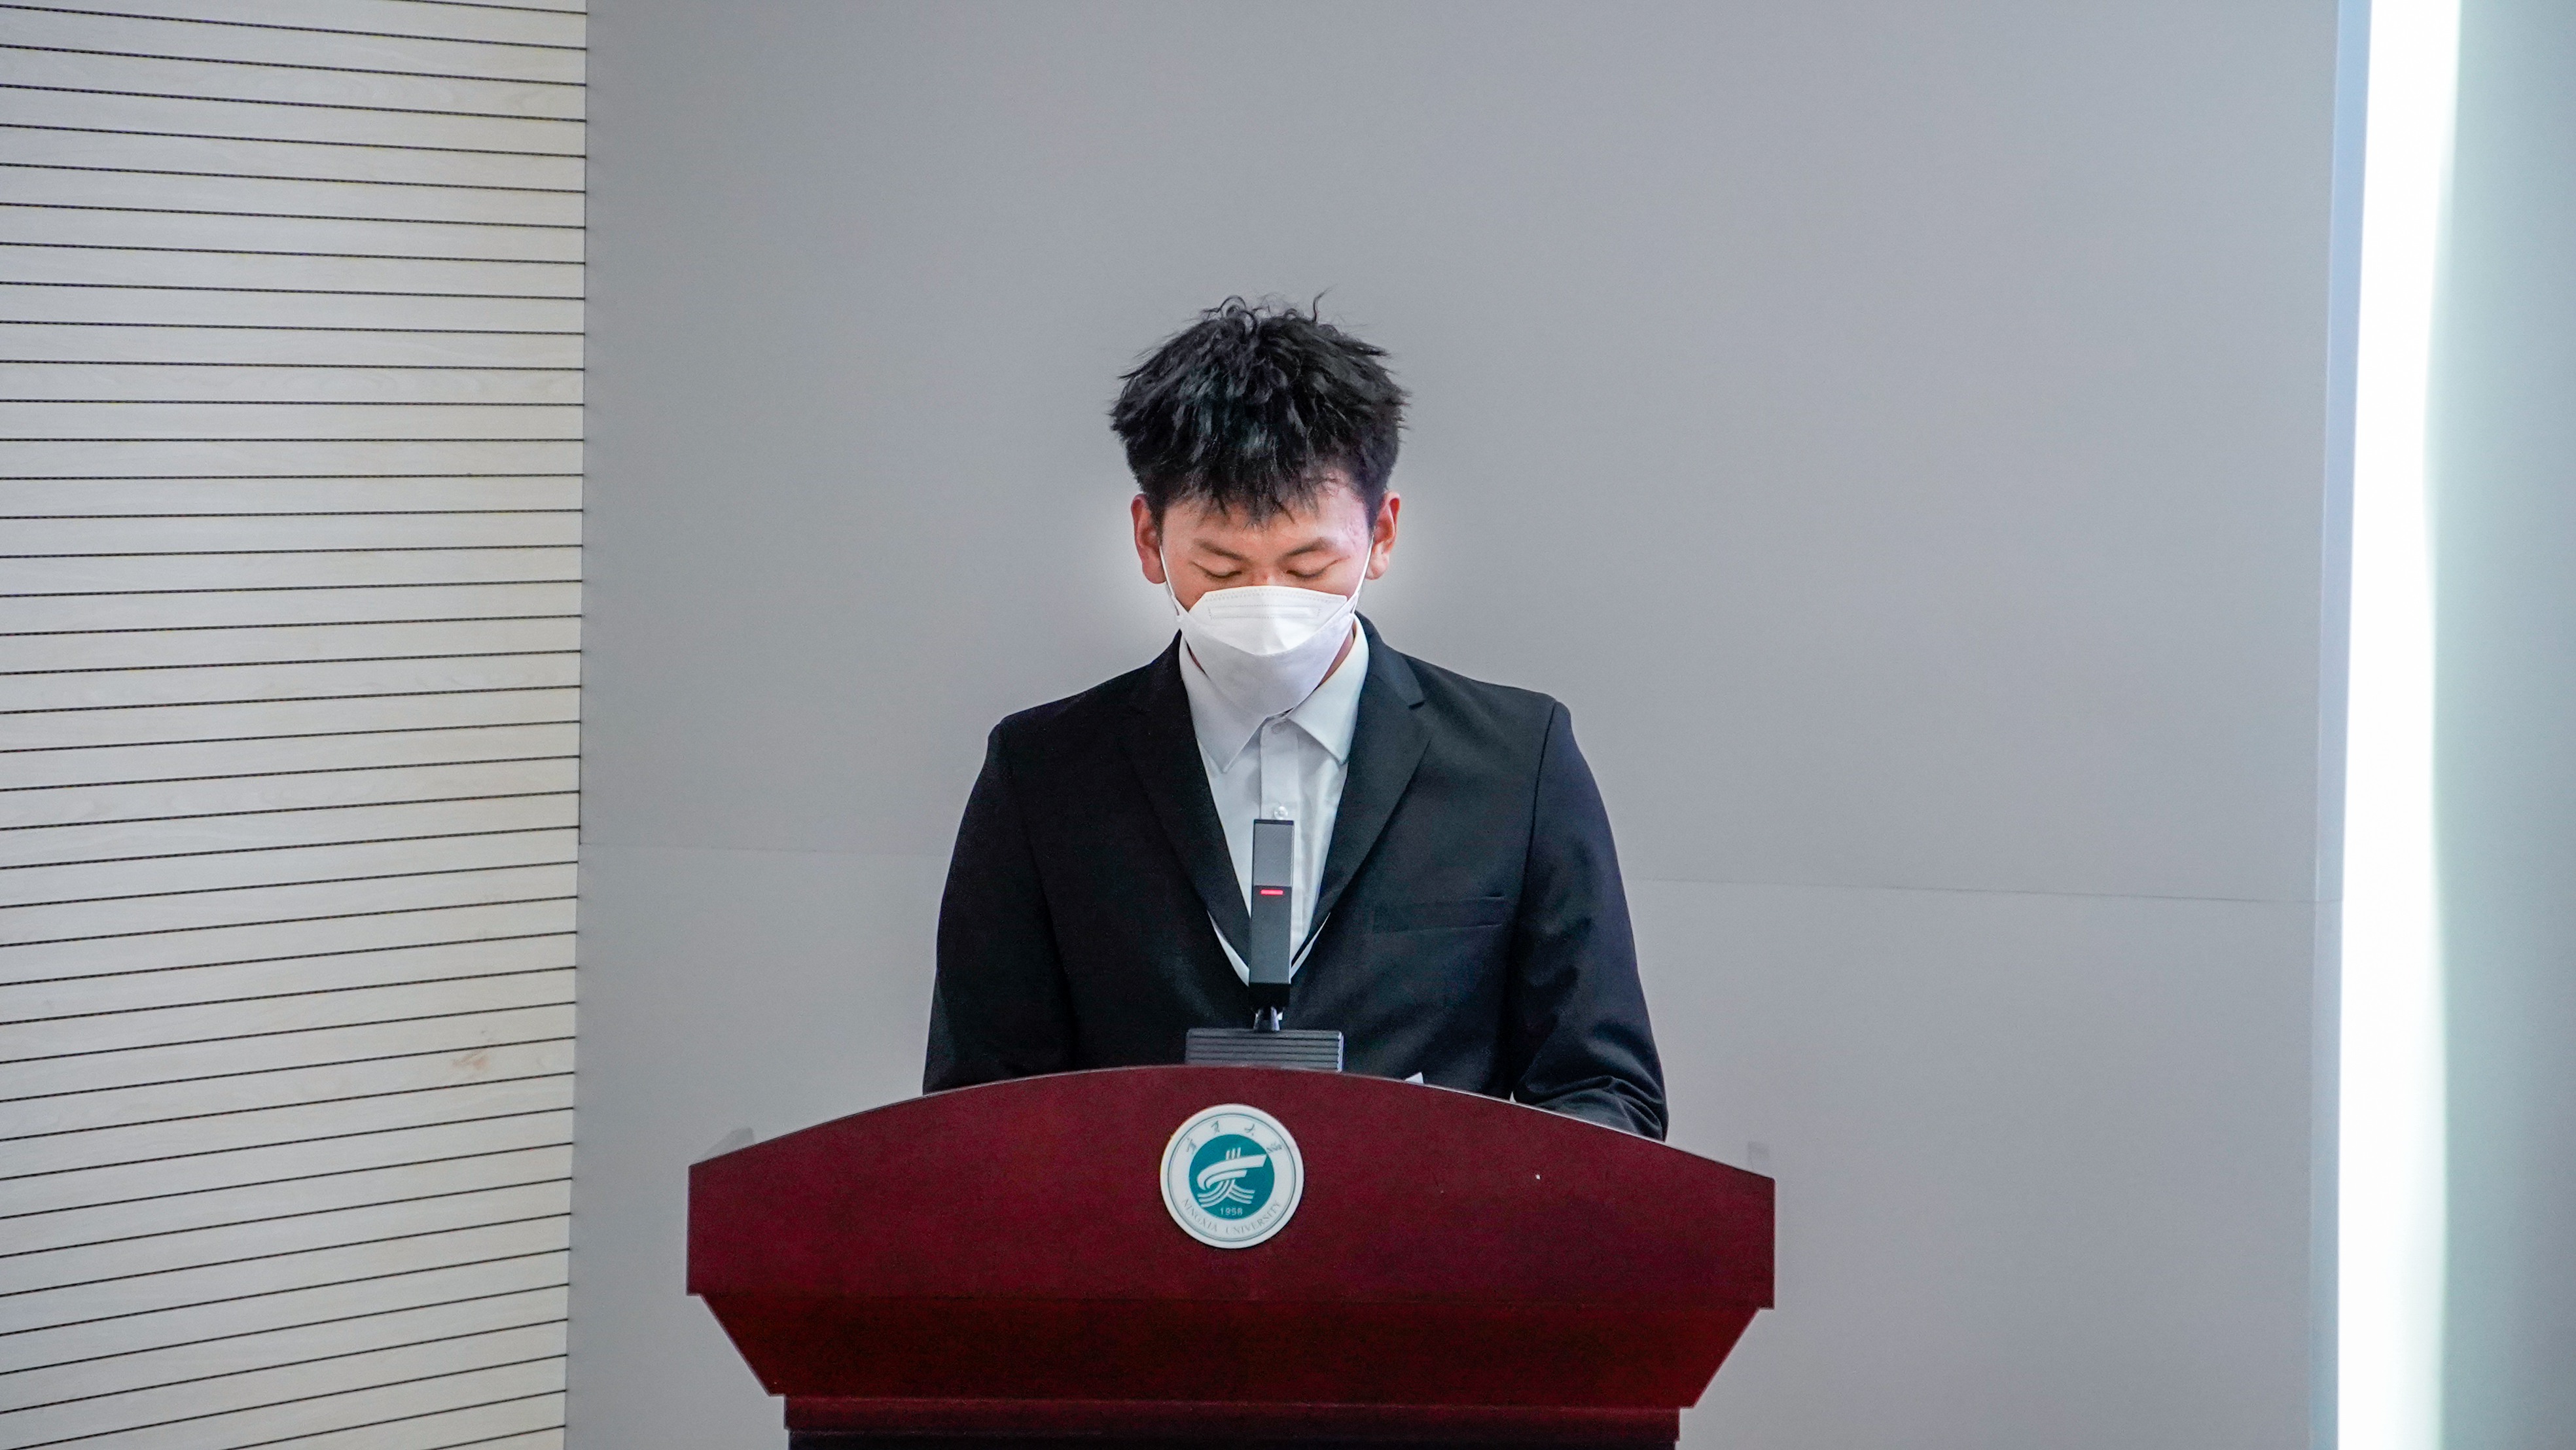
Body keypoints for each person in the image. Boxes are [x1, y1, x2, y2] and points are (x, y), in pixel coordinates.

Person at [923, 298, 1666, 1137]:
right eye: (1220, 566)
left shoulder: (1515, 762)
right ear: (1148, 538)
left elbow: (1606, 1089)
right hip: (1130, 1222)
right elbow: (978, 1104)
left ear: (1382, 533)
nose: (1267, 602)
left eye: (1309, 565)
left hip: (1428, 1222)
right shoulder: (1044, 773)